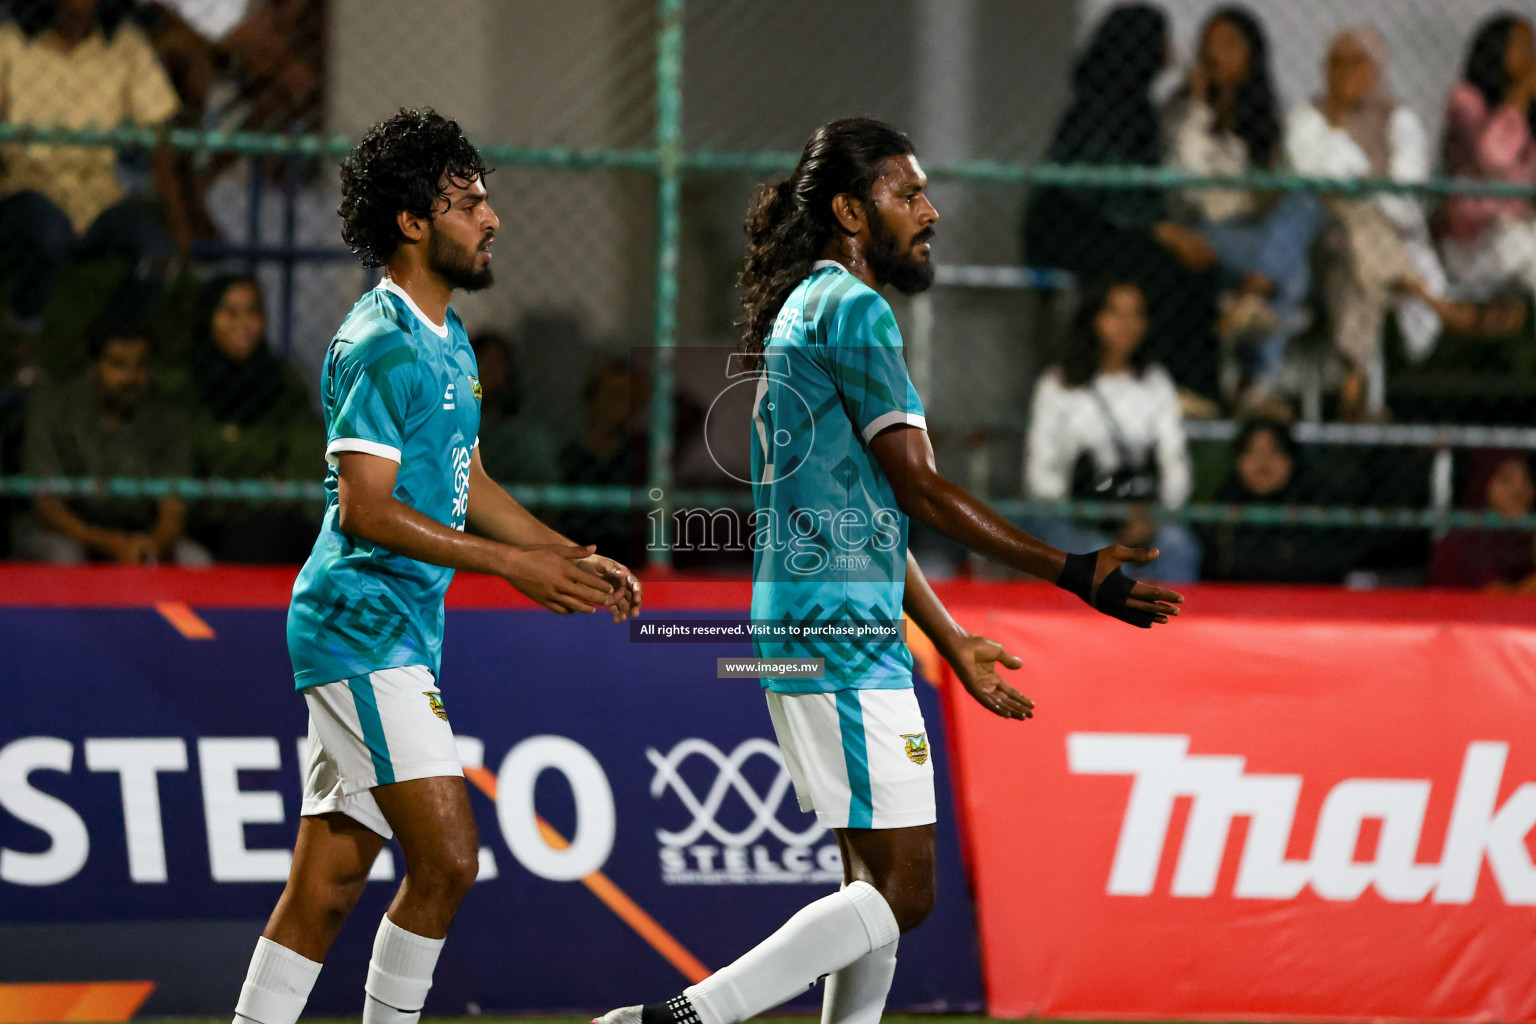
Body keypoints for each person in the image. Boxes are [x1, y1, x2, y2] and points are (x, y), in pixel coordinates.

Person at [596, 117, 1183, 1024]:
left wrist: (948, 637)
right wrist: (1071, 570)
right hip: (835, 633)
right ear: (849, 210)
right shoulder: (855, 311)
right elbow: (921, 490)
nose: (930, 211)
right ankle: (677, 1019)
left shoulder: (807, 309)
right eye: (907, 194)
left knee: (868, 888)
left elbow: (868, 514)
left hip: (825, 621)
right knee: (905, 891)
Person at [228, 109, 641, 1024]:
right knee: (449, 862)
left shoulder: (447, 337)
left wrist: (561, 555)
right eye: (467, 204)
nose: (490, 219)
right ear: (412, 223)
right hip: (360, 626)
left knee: (329, 882)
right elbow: (366, 507)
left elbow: (468, 478)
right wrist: (510, 567)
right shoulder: (379, 339)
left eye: (486, 200)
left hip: (398, 629)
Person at [1022, 2, 1223, 410]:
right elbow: (1102, 188)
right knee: (1164, 269)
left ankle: (1195, 389)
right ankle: (1176, 385)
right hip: (1068, 224)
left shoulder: (1134, 105)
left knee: (1192, 269)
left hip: (1104, 225)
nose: (1171, 49)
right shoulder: (1104, 104)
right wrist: (1163, 231)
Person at [0, 0, 188, 367]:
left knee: (160, 256)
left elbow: (160, 137)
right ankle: (21, 337)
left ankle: (101, 341)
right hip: (26, 188)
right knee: (50, 236)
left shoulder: (125, 45)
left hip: (99, 195)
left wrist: (179, 222)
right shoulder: (9, 42)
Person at [1286, 27, 1452, 420]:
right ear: (1324, 69)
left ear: (1377, 69)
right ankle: (1421, 294)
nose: (1347, 73)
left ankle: (1353, 382)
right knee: (1350, 229)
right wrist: (1339, 117)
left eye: (1358, 62)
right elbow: (1313, 174)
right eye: (1338, 63)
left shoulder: (1399, 119)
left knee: (1354, 254)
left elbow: (1407, 194)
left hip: (1377, 239)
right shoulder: (1307, 115)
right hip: (1319, 235)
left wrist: (1360, 191)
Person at [1164, 6, 1321, 410]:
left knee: (1308, 201)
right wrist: (1199, 105)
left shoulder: (1266, 119)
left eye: (1230, 43)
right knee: (1293, 271)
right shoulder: (1181, 112)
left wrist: (1264, 199)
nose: (1218, 53)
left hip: (1255, 232)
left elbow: (1277, 190)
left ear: (1252, 54)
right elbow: (1192, 187)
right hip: (1208, 231)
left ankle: (1253, 295)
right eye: (1210, 43)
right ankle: (1258, 382)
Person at [1024, 280, 1202, 583]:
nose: (1126, 325)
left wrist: (1154, 518)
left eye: (1136, 314)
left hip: (1144, 516)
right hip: (1074, 516)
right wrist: (1100, 518)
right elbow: (1041, 477)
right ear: (1092, 318)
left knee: (1179, 548)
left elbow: (1175, 464)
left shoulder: (1155, 382)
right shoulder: (1058, 384)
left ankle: (1175, 629)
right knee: (1104, 561)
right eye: (1115, 313)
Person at [15, 325, 208, 564]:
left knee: (195, 560)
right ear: (94, 368)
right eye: (119, 365)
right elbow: (47, 506)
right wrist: (109, 543)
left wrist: (151, 546)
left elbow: (173, 509)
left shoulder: (167, 416)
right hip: (69, 532)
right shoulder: (54, 409)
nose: (132, 376)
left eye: (141, 365)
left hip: (139, 534)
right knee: (64, 556)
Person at [187, 273, 324, 562]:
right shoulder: (184, 384)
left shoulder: (282, 382)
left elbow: (305, 457)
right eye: (230, 312)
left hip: (269, 518)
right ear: (207, 317)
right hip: (199, 523)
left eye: (253, 312)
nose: (243, 324)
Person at [1439, 13, 1536, 310]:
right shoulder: (1465, 102)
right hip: (1475, 240)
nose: (1532, 56)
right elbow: (1492, 159)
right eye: (1522, 46)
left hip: (1516, 234)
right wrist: (1520, 95)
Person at [1201, 417, 1356, 583]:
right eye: (1252, 451)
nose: (1263, 461)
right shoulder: (1222, 510)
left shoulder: (1317, 507)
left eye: (1273, 451)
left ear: (1290, 460)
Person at [1428, 448, 1536, 590]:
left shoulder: (1528, 536)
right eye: (1505, 479)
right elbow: (1499, 600)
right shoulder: (1461, 541)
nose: (1519, 488)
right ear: (1483, 485)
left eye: (1527, 478)